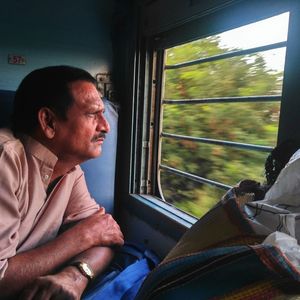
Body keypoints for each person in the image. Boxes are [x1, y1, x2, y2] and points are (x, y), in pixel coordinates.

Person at [0, 66, 124, 299]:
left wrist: (75, 275)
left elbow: (107, 238)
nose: (105, 126)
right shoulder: (5, 159)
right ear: (48, 121)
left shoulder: (71, 171)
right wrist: (82, 236)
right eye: (91, 114)